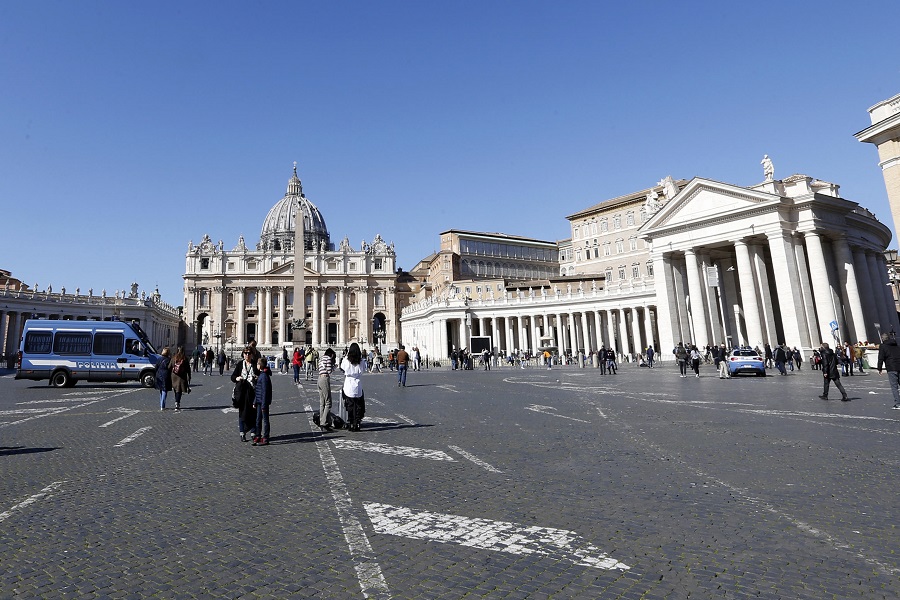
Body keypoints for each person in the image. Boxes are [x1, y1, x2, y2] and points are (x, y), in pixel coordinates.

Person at [231, 346, 260, 441]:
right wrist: (237, 378)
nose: (247, 355)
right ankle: (242, 432)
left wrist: (256, 377)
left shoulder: (255, 364)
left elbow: (260, 375)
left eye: (249, 353)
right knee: (242, 412)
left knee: (253, 412)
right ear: (243, 354)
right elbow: (233, 377)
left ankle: (253, 432)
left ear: (252, 354)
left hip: (252, 392)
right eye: (245, 353)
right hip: (242, 392)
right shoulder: (240, 364)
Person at [340, 342, 368, 432]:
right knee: (358, 405)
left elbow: (342, 367)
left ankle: (351, 423)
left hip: (348, 384)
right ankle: (358, 423)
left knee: (350, 405)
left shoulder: (346, 360)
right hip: (358, 384)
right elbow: (364, 369)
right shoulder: (362, 361)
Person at [876, 332, 900, 410]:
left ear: (882, 339)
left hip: (891, 367)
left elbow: (881, 358)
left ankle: (898, 403)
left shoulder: (883, 346)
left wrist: (879, 368)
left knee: (894, 386)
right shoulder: (896, 345)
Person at [252, 358, 272, 446]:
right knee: (258, 419)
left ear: (260, 365)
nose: (256, 365)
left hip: (263, 402)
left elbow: (264, 391)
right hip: (259, 401)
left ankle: (266, 437)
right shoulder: (262, 374)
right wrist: (255, 401)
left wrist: (264, 405)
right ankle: (258, 435)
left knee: (265, 421)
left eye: (257, 364)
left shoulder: (264, 376)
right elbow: (258, 390)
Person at [318, 347, 336, 429]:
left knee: (322, 402)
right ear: (331, 354)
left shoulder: (321, 358)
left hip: (319, 379)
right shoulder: (328, 358)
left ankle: (322, 420)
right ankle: (324, 422)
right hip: (325, 379)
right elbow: (329, 371)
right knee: (328, 402)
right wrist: (334, 367)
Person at [169, 347, 191, 411]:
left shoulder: (173, 358)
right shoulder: (185, 359)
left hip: (174, 376)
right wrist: (189, 376)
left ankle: (176, 401)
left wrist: (173, 370)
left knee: (176, 389)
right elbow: (188, 369)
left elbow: (169, 367)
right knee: (179, 390)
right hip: (182, 376)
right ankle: (177, 402)